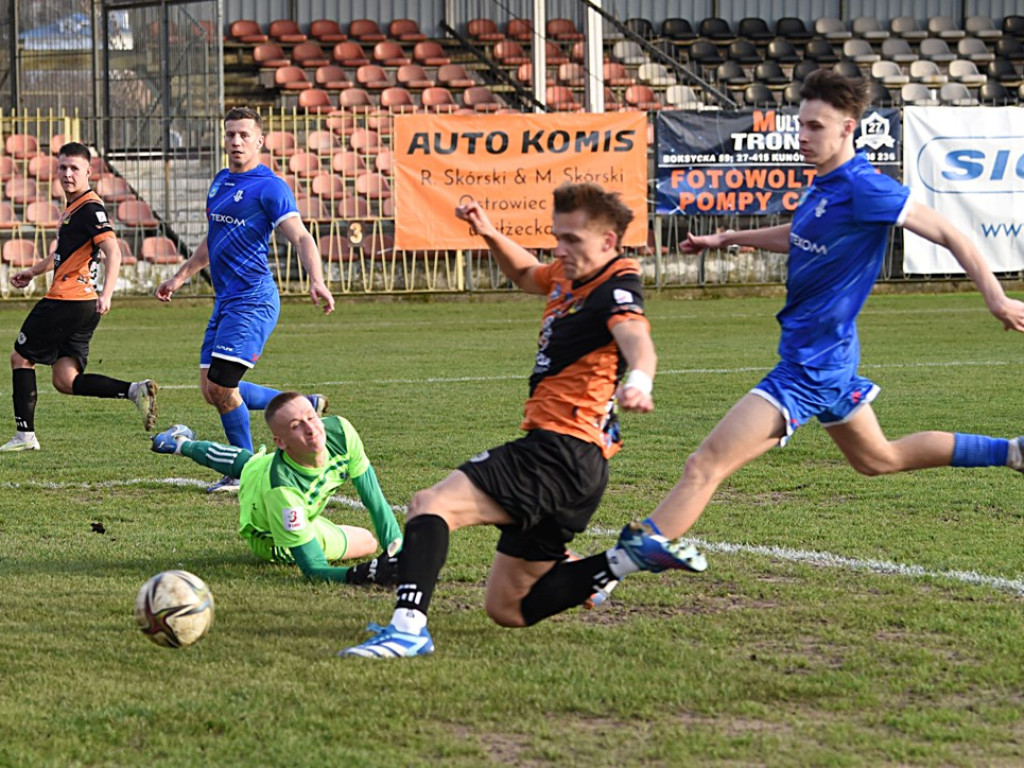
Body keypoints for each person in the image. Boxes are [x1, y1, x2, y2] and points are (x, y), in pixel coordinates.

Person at [609, 69, 1024, 577]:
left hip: (811, 366)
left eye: (816, 127)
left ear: (848, 128)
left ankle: (611, 571)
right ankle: (1013, 453)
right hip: (829, 358)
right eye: (800, 125)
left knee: (703, 465)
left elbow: (951, 234)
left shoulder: (866, 188)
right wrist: (730, 238)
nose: (803, 137)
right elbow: (800, 234)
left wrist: (997, 298)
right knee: (879, 460)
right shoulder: (823, 184)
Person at [340, 182, 705, 660]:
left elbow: (637, 337)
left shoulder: (614, 286)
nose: (561, 248)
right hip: (579, 469)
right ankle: (622, 559)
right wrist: (488, 230)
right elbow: (527, 272)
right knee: (508, 607)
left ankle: (408, 629)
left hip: (558, 451)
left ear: (609, 242)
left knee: (430, 506)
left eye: (573, 239)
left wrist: (639, 380)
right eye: (558, 236)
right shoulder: (569, 274)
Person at [155, 106, 335, 492]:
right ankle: (304, 404)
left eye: (244, 135)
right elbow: (212, 240)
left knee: (222, 387)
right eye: (231, 134)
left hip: (253, 300)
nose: (236, 141)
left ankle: (243, 471)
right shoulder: (220, 182)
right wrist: (180, 276)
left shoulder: (269, 187)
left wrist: (316, 279)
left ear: (260, 141)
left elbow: (301, 236)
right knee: (211, 389)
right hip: (226, 301)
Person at [150, 391, 403, 585]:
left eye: (311, 417)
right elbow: (313, 569)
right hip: (269, 534)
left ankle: (179, 443)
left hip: (268, 473)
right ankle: (180, 444)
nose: (311, 429)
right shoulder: (282, 491)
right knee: (368, 542)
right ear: (280, 441)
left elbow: (375, 500)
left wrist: (399, 552)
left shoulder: (341, 433)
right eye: (296, 426)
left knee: (248, 463)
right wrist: (358, 575)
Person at [1, 141, 157, 453]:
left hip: (67, 301)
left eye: (75, 168)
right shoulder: (73, 209)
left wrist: (108, 294)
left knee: (21, 357)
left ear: (89, 171)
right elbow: (61, 254)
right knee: (65, 379)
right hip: (82, 306)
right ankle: (134, 391)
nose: (68, 174)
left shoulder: (89, 208)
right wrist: (32, 272)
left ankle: (25, 435)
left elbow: (112, 250)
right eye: (63, 167)